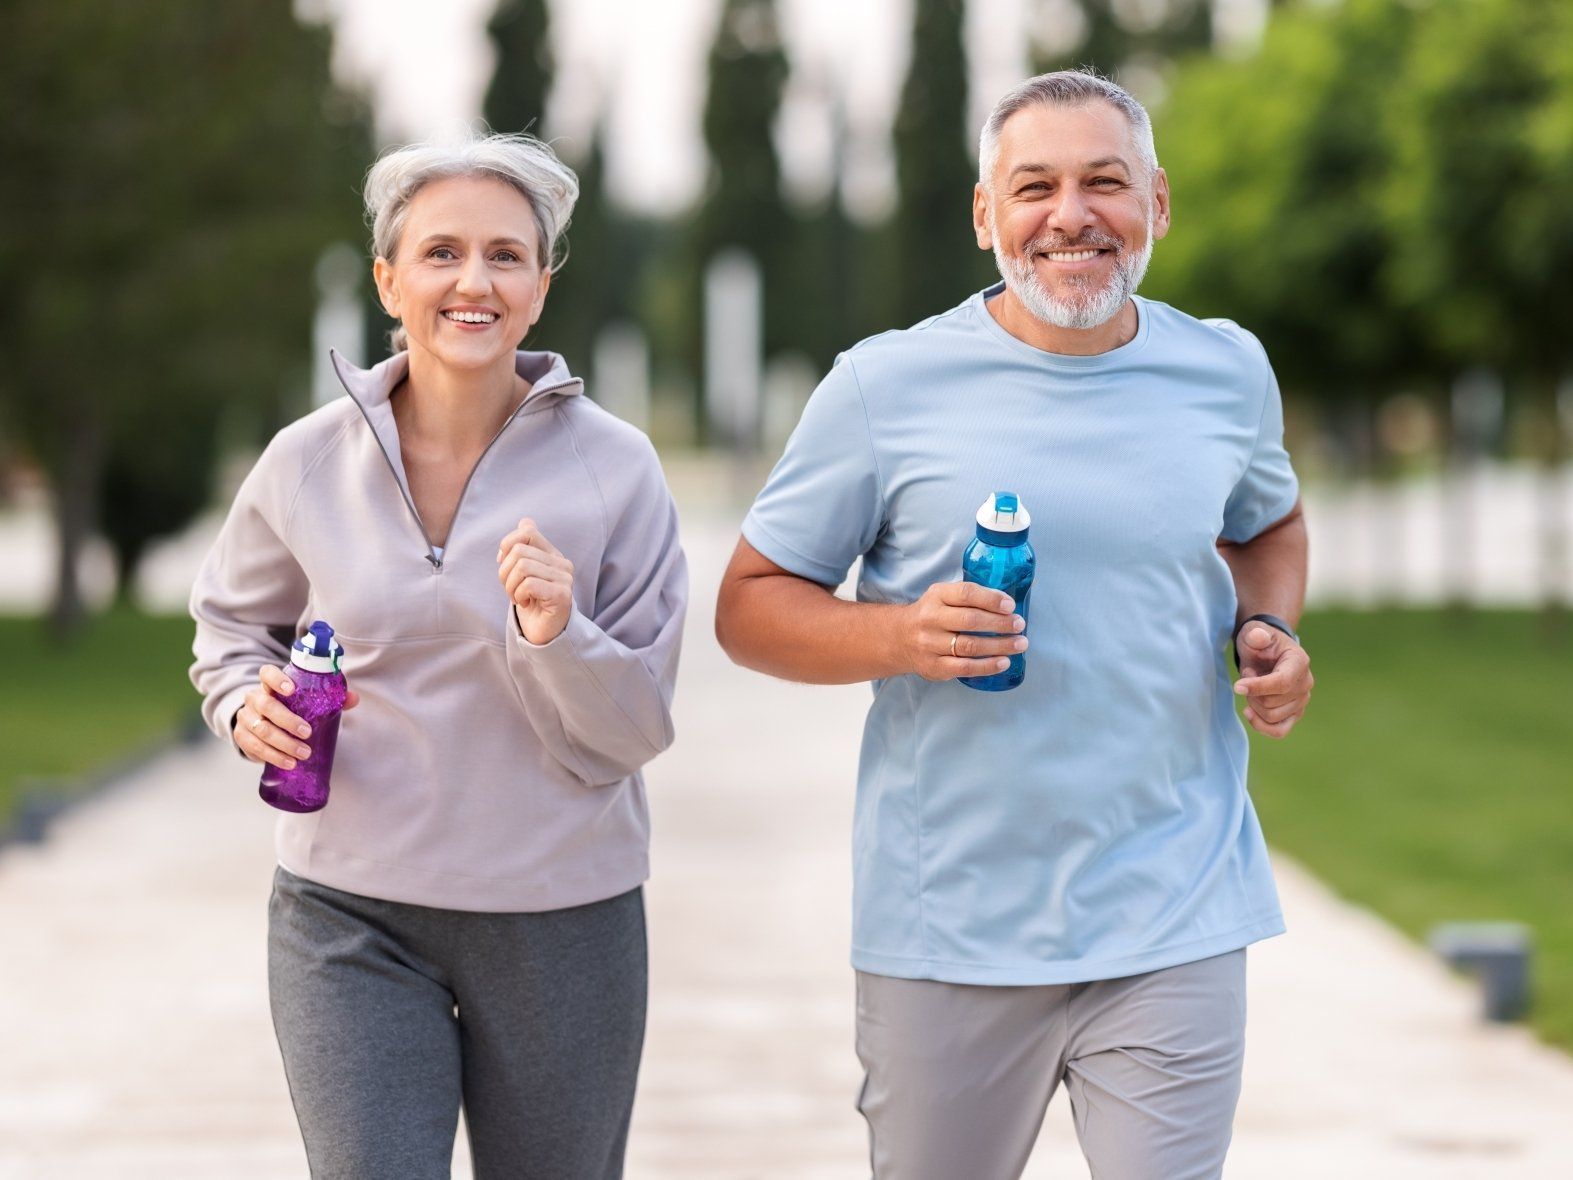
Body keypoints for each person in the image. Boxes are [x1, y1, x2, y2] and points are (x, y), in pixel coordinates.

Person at [715, 71, 1313, 1180]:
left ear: (1158, 204)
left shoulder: (1225, 369)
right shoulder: (882, 387)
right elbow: (748, 607)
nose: (1070, 215)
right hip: (953, 925)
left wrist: (1267, 627)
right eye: (1033, 186)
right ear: (986, 215)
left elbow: (1269, 520)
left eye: (1105, 182)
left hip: (1173, 904)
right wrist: (897, 637)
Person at [189, 132, 686, 1179]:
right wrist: (244, 707)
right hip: (346, 910)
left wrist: (557, 634)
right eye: (441, 252)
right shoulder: (307, 459)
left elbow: (637, 724)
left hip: (564, 919)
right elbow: (232, 629)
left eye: (507, 255)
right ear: (388, 278)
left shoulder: (617, 470)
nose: (475, 280)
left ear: (542, 286)